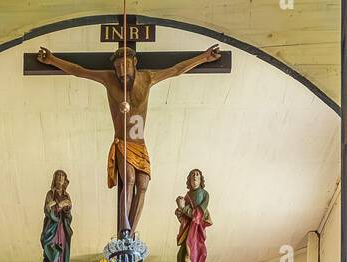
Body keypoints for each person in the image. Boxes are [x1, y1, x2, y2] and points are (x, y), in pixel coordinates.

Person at [36, 43, 220, 234]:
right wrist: (51, 60)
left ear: (135, 63)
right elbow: (79, 71)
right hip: (123, 143)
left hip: (139, 144)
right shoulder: (109, 79)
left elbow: (176, 70)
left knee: (143, 185)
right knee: (130, 179)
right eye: (118, 68)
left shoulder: (148, 78)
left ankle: (130, 234)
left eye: (126, 66)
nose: (122, 72)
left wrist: (204, 58)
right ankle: (124, 229)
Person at [173, 169, 211, 262]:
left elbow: (199, 214)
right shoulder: (187, 196)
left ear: (201, 180)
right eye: (192, 175)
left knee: (195, 255)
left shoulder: (205, 194)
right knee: (182, 255)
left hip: (197, 230)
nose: (195, 176)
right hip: (188, 231)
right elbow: (185, 219)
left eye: (197, 175)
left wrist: (183, 208)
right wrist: (179, 210)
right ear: (189, 180)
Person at [39, 170, 73, 262]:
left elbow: (68, 211)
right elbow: (47, 209)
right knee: (53, 252)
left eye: (62, 177)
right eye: (58, 176)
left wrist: (66, 207)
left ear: (65, 181)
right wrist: (59, 206)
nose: (60, 179)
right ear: (54, 179)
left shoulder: (66, 195)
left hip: (62, 228)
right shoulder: (50, 193)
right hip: (52, 227)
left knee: (61, 253)